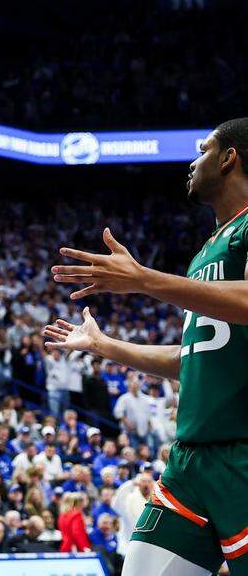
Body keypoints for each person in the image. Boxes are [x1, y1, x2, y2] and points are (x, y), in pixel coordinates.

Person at [45, 118, 248, 576]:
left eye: (203, 150)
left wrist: (144, 281)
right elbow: (193, 361)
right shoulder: (207, 250)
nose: (193, 163)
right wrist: (105, 346)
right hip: (191, 459)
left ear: (229, 157)